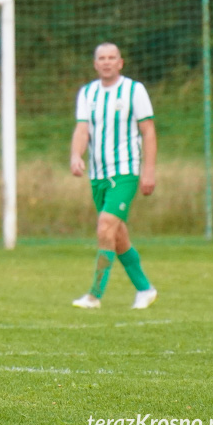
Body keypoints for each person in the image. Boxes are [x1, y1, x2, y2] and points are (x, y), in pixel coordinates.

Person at [70, 42, 158, 310]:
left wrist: (149, 171)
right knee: (117, 236)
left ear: (120, 63)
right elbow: (82, 130)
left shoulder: (134, 90)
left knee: (105, 225)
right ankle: (145, 288)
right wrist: (76, 155)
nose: (107, 62)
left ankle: (95, 295)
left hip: (126, 172)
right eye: (101, 58)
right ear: (95, 64)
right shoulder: (87, 93)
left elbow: (149, 132)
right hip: (98, 175)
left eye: (112, 58)